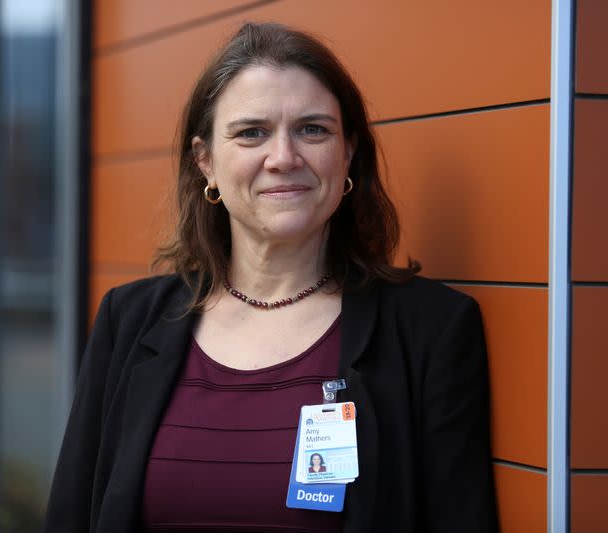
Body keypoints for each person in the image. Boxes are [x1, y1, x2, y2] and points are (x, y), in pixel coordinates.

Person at [45, 22, 498, 532]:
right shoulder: (127, 322)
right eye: (251, 132)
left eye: (312, 129)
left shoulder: (431, 330)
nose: (283, 158)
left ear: (347, 151)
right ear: (206, 162)